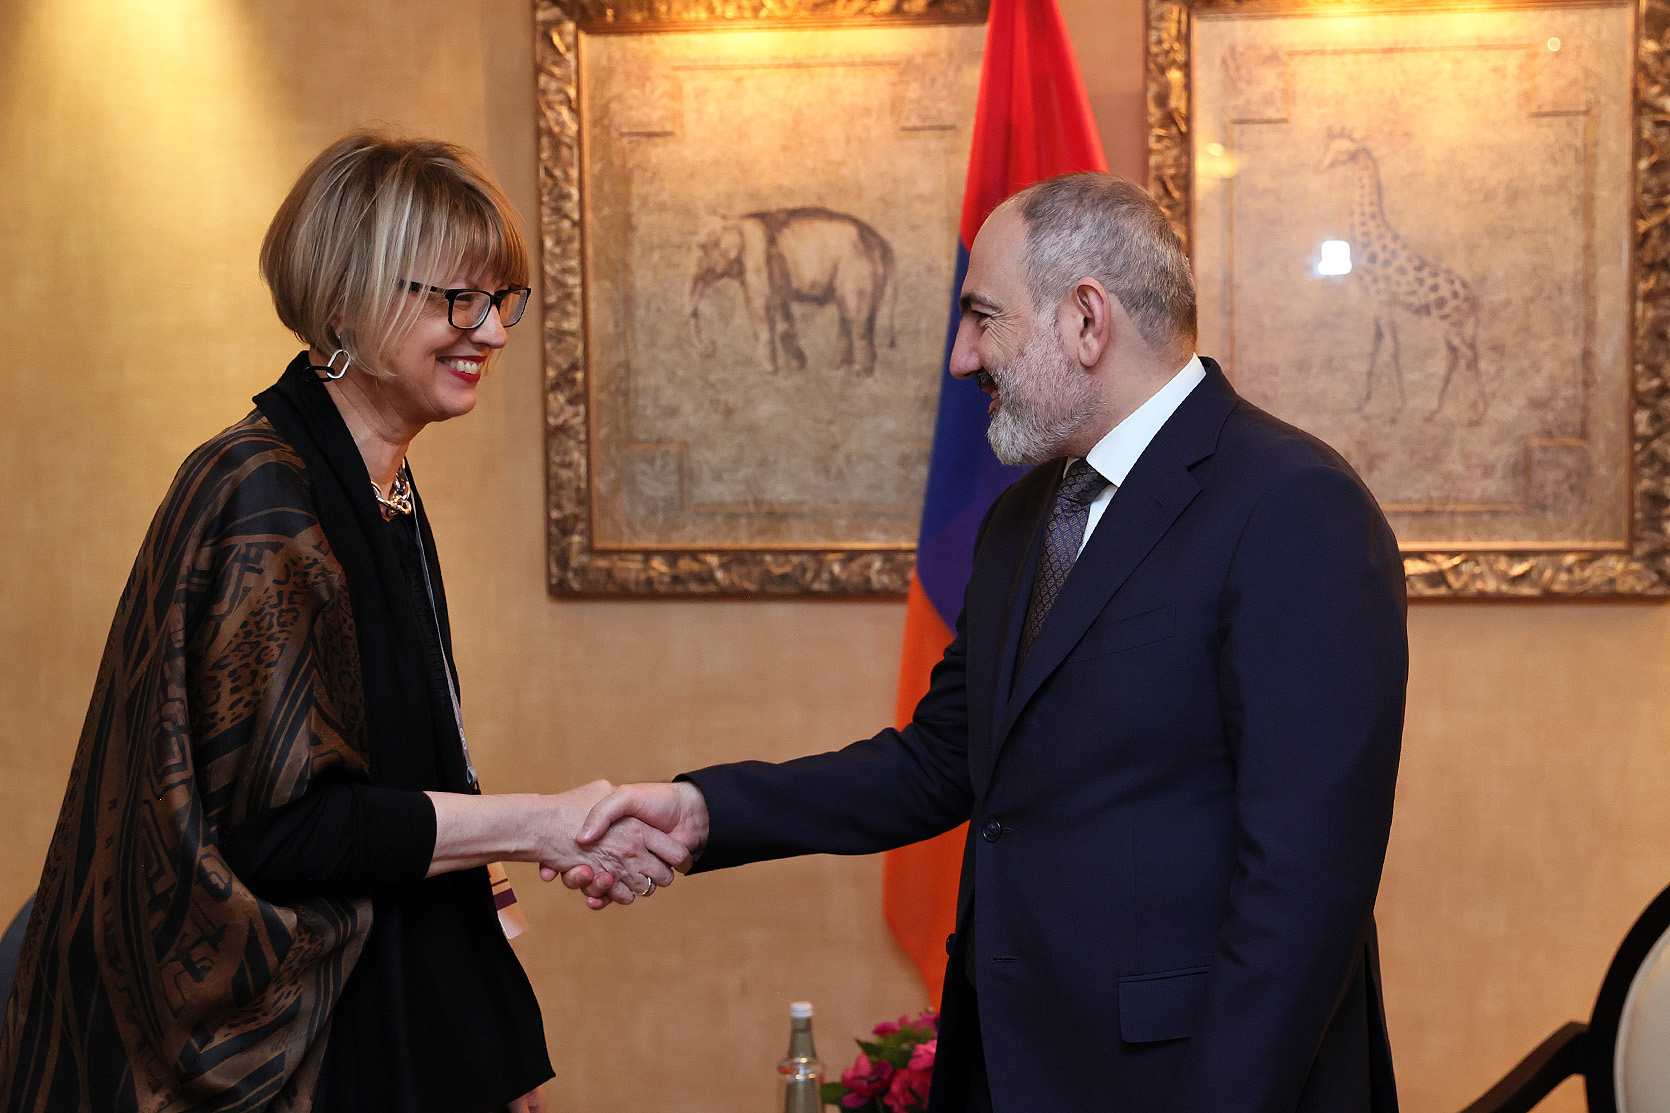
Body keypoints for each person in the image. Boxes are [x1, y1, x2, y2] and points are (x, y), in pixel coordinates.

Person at [571, 173, 1408, 1113]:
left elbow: (1306, 883)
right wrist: (702, 811)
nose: (961, 356)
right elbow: (941, 760)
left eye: (982, 316)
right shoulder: (1024, 516)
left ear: (1086, 319)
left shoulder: (1294, 504)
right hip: (1015, 1070)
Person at [0, 133, 685, 1113]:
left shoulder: (380, 487)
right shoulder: (262, 491)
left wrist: (489, 1042)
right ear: (343, 303)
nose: (492, 332)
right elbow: (285, 833)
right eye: (458, 300)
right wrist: (544, 824)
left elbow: (419, 780)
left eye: (503, 300)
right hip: (259, 1061)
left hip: (383, 1019)